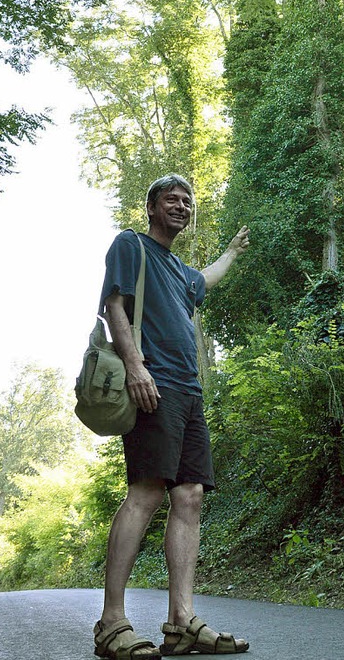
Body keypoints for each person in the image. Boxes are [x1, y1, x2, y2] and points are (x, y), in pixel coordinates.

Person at [93, 174, 250, 660]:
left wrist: (233, 251)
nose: (181, 206)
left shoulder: (182, 272)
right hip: (152, 386)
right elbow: (114, 305)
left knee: (190, 495)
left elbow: (211, 276)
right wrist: (137, 366)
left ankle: (181, 622)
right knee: (146, 491)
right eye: (171, 199)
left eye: (187, 201)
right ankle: (111, 621)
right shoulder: (130, 245)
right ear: (152, 207)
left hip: (189, 392)